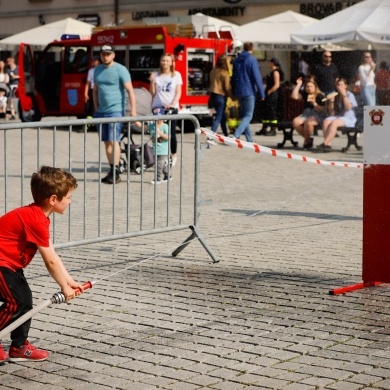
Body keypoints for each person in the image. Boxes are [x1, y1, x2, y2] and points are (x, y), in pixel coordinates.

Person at [0, 166, 84, 363]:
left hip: (9, 266)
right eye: (69, 197)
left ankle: (19, 346)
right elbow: (50, 261)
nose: (70, 201)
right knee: (16, 302)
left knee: (24, 300)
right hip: (1, 264)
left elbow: (52, 252)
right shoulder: (35, 219)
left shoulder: (39, 217)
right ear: (53, 199)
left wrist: (70, 281)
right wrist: (63, 287)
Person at [93, 44, 137, 185]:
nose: (105, 56)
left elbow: (130, 90)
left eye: (108, 54)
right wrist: (96, 109)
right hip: (101, 112)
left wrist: (133, 111)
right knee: (106, 142)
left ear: (113, 55)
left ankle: (117, 171)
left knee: (114, 140)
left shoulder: (120, 69)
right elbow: (95, 90)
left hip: (115, 110)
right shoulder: (97, 70)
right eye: (103, 54)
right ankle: (112, 170)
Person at [149, 53, 182, 167]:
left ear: (172, 62)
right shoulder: (156, 75)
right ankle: (159, 157)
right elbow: (153, 93)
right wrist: (152, 82)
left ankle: (173, 155)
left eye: (167, 61)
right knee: (158, 132)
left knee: (170, 132)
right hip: (158, 106)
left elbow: (178, 92)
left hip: (171, 107)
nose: (165, 63)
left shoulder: (176, 75)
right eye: (163, 60)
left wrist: (172, 104)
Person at [231, 42, 265, 142]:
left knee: (245, 115)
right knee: (248, 115)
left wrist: (234, 90)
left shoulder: (237, 60)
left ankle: (250, 139)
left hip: (239, 91)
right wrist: (261, 93)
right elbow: (257, 77)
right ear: (252, 48)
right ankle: (236, 135)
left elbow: (233, 77)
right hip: (249, 91)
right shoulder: (252, 60)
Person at [316, 78, 357, 152]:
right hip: (339, 117)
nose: (340, 86)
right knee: (326, 121)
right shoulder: (335, 95)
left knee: (334, 123)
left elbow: (348, 108)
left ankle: (325, 143)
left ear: (345, 86)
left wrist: (344, 95)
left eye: (342, 85)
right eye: (338, 85)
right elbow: (332, 113)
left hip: (349, 117)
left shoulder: (349, 95)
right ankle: (328, 144)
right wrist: (331, 102)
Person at [291, 77, 327, 149]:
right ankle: (308, 139)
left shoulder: (320, 95)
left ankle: (306, 141)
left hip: (317, 115)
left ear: (315, 87)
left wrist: (314, 103)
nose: (309, 88)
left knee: (308, 122)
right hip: (306, 114)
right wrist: (299, 84)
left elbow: (323, 110)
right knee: (295, 121)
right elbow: (294, 96)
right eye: (307, 86)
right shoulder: (305, 94)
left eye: (311, 86)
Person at [258, 57, 284, 136]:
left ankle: (273, 129)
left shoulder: (276, 72)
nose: (269, 64)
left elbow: (277, 84)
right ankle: (264, 128)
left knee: (272, 111)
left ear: (273, 63)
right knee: (266, 111)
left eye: (270, 62)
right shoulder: (272, 72)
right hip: (269, 94)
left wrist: (269, 91)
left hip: (272, 94)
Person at [208, 55, 231, 138]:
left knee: (222, 116)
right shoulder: (224, 73)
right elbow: (227, 87)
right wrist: (231, 96)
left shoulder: (213, 71)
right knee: (218, 117)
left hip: (213, 95)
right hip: (221, 96)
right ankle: (211, 135)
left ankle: (225, 134)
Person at [148, 119, 170, 185]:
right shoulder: (152, 126)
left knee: (158, 165)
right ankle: (167, 175)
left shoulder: (165, 126)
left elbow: (169, 137)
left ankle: (157, 179)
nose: (158, 120)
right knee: (161, 165)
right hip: (155, 150)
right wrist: (135, 119)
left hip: (163, 150)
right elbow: (143, 127)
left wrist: (161, 134)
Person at [84, 56, 101, 126]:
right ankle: (89, 125)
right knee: (89, 108)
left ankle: (98, 124)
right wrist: (85, 93)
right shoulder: (91, 71)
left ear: (99, 61)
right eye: (93, 61)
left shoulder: (103, 70)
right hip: (92, 90)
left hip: (100, 91)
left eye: (95, 61)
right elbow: (88, 83)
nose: (93, 62)